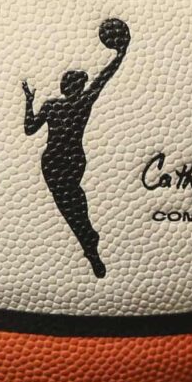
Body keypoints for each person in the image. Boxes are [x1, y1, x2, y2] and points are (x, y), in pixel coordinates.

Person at [23, 21, 129, 278]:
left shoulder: (52, 106)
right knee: (73, 202)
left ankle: (89, 241)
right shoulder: (82, 102)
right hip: (68, 159)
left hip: (55, 160)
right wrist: (120, 55)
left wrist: (29, 101)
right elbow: (102, 79)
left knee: (72, 203)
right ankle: (89, 242)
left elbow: (29, 128)